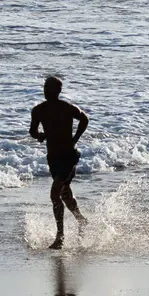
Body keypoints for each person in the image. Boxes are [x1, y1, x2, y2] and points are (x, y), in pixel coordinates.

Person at [29, 76, 89, 249]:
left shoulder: (67, 108)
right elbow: (32, 130)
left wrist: (75, 138)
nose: (47, 91)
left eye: (51, 88)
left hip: (69, 156)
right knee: (64, 193)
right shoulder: (38, 110)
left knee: (55, 193)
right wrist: (39, 135)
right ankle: (81, 220)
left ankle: (60, 237)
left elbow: (84, 119)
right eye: (45, 87)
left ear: (59, 91)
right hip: (53, 158)